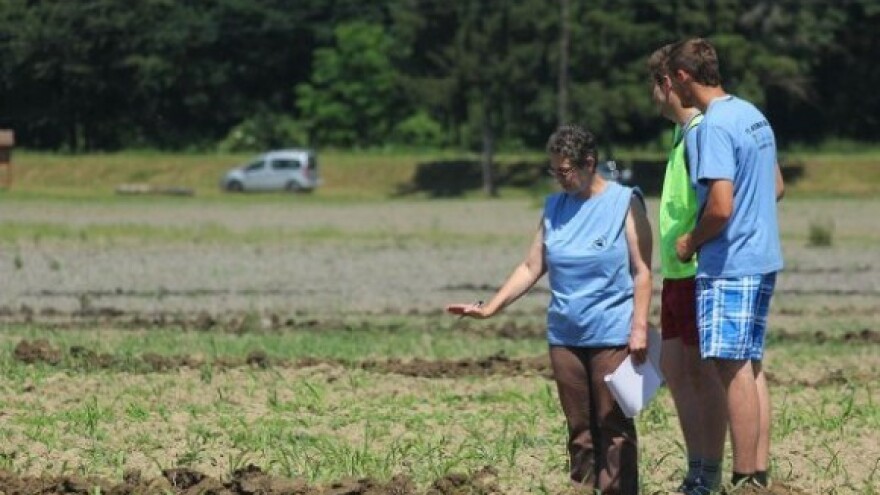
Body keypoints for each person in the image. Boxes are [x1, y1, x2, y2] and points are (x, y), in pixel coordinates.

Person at [446, 124, 653, 494]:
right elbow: (531, 266)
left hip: (613, 333)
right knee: (580, 429)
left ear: (590, 163)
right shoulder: (554, 207)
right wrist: (490, 307)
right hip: (565, 335)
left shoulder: (624, 202)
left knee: (613, 425)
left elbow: (642, 271)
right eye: (554, 171)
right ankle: (582, 488)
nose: (559, 179)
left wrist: (639, 327)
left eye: (565, 171)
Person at [665, 38, 785, 491]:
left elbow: (718, 206)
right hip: (762, 255)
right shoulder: (752, 114)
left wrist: (691, 241)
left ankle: (745, 474)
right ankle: (757, 472)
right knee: (749, 365)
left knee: (730, 368)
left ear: (682, 77)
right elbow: (775, 186)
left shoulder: (714, 126)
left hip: (731, 262)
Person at [647, 45, 727, 493]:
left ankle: (708, 473)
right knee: (676, 370)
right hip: (675, 275)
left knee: (701, 374)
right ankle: (695, 467)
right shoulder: (680, 136)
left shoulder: (699, 133)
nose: (652, 96)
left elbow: (715, 201)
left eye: (653, 86)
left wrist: (694, 242)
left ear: (668, 84)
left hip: (697, 270)